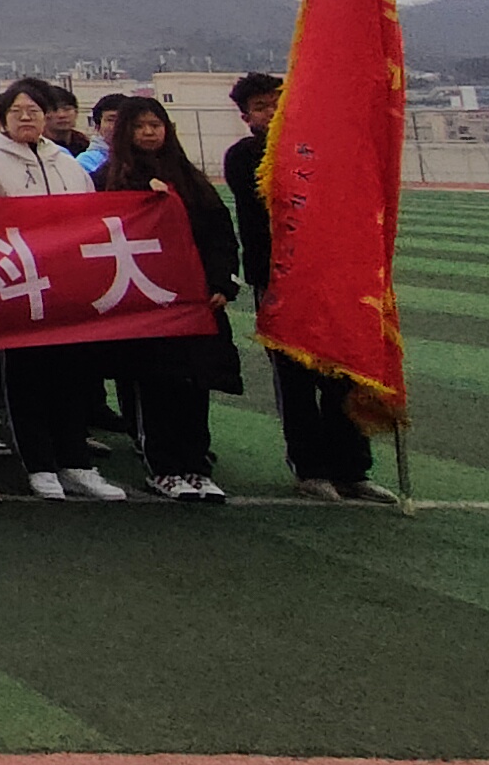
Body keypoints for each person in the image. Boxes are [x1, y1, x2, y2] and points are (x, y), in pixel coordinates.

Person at [223, 73, 386, 501]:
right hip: (279, 279)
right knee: (294, 379)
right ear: (246, 118)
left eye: (277, 102)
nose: (272, 112)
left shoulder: (321, 150)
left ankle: (352, 468)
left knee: (341, 373)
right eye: (261, 107)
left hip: (330, 277)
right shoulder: (244, 156)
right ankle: (309, 467)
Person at [0, 81, 128, 502]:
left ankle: (77, 463)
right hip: (18, 288)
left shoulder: (68, 164)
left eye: (34, 110)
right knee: (27, 380)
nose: (26, 118)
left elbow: (90, 220)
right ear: (3, 118)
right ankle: (39, 465)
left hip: (66, 289)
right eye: (17, 111)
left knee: (71, 378)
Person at [105, 96, 243, 502]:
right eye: (140, 126)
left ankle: (196, 466)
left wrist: (222, 284)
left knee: (194, 387)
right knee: (154, 388)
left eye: (156, 125)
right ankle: (163, 467)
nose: (149, 133)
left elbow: (220, 236)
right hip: (145, 305)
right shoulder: (110, 180)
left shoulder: (191, 179)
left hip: (194, 305)